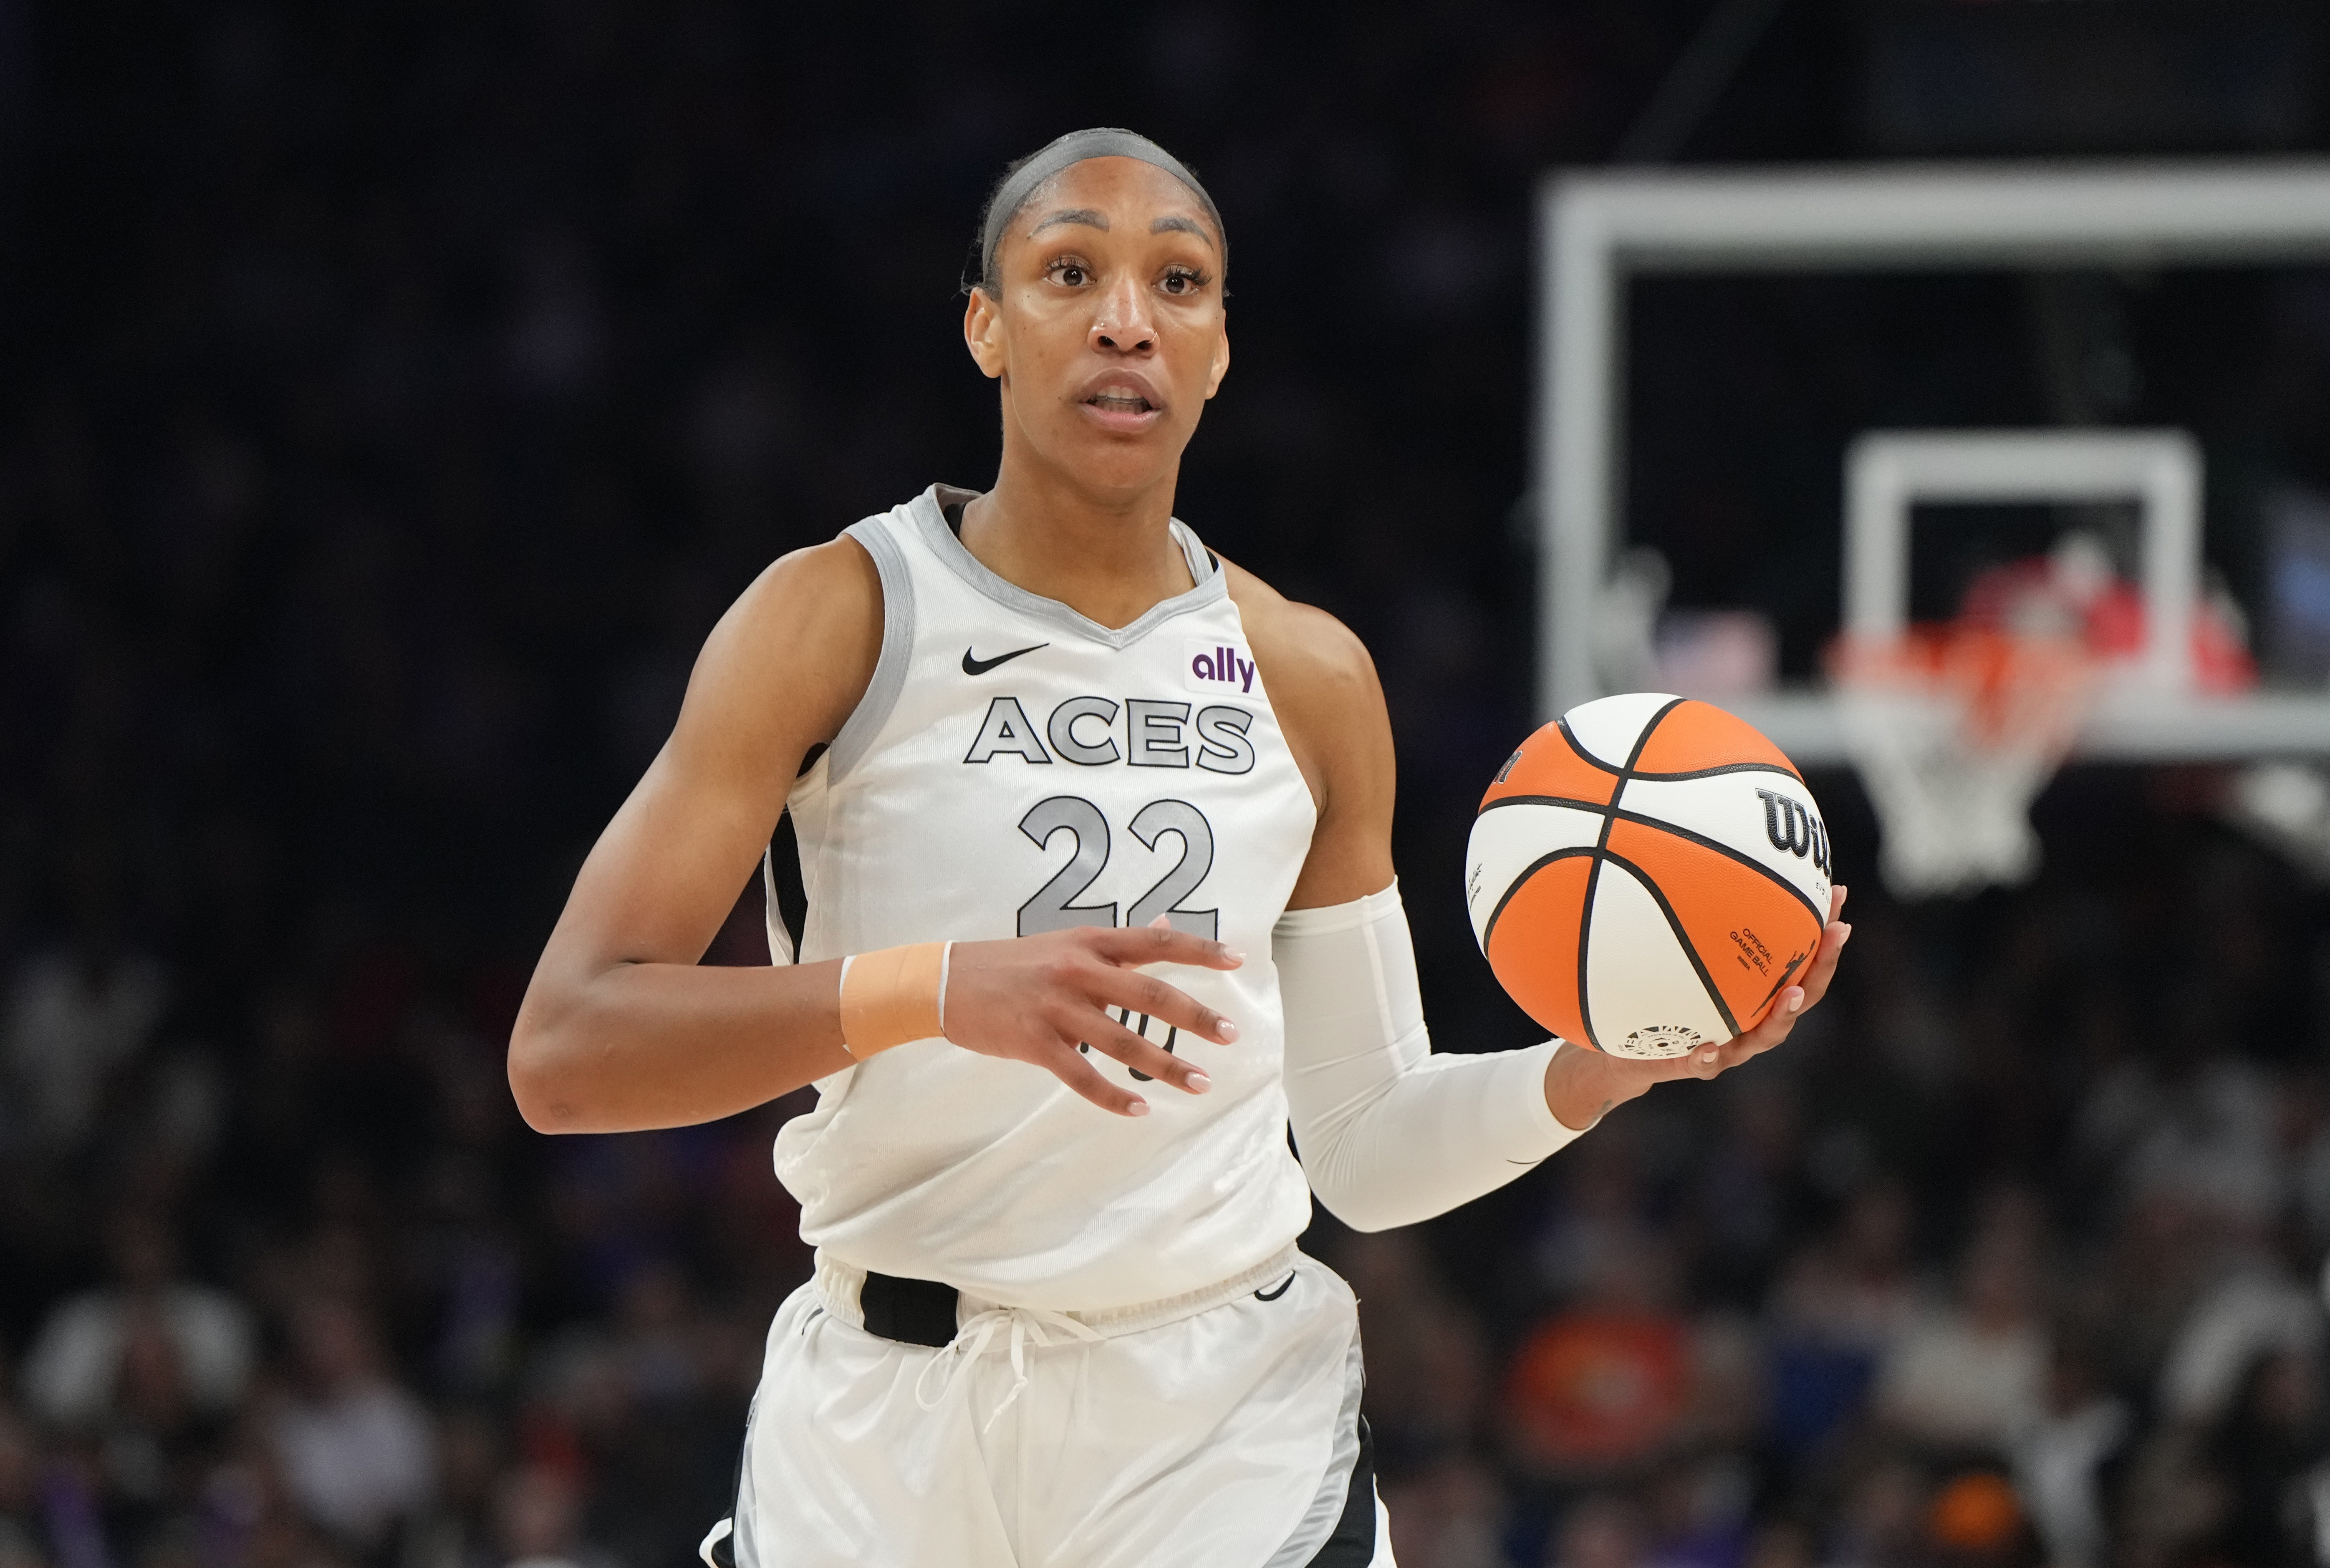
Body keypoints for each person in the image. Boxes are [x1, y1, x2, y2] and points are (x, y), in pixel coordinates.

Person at [507, 127, 1849, 1568]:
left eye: (1179, 282)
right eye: (1069, 272)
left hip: (1218, 1423)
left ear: (1216, 351)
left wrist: (1600, 1069)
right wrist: (938, 990)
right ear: (986, 328)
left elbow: (1363, 1148)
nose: (1126, 320)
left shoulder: (1310, 675)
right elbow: (565, 1055)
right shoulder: (836, 616)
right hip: (884, 1422)